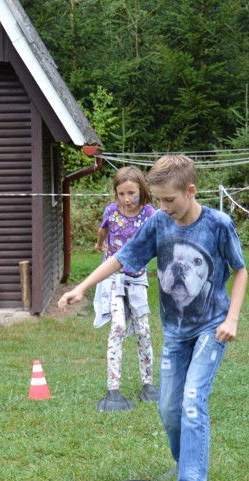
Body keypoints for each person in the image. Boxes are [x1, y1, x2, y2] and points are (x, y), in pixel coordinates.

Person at [59, 155, 248, 481]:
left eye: (169, 200)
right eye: (158, 199)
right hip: (175, 331)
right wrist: (82, 287)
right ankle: (185, 465)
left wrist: (232, 318)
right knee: (168, 407)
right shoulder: (159, 223)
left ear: (190, 191)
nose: (162, 206)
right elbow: (121, 257)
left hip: (212, 327)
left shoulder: (218, 224)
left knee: (193, 399)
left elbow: (240, 270)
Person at [93, 166, 158, 412]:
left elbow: (158, 237)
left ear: (141, 189)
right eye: (121, 194)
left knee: (143, 330)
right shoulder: (111, 211)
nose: (126, 199)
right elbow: (103, 229)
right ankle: (113, 389)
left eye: (131, 193)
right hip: (113, 277)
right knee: (118, 326)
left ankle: (148, 384)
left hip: (137, 278)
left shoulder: (150, 213)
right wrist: (100, 244)